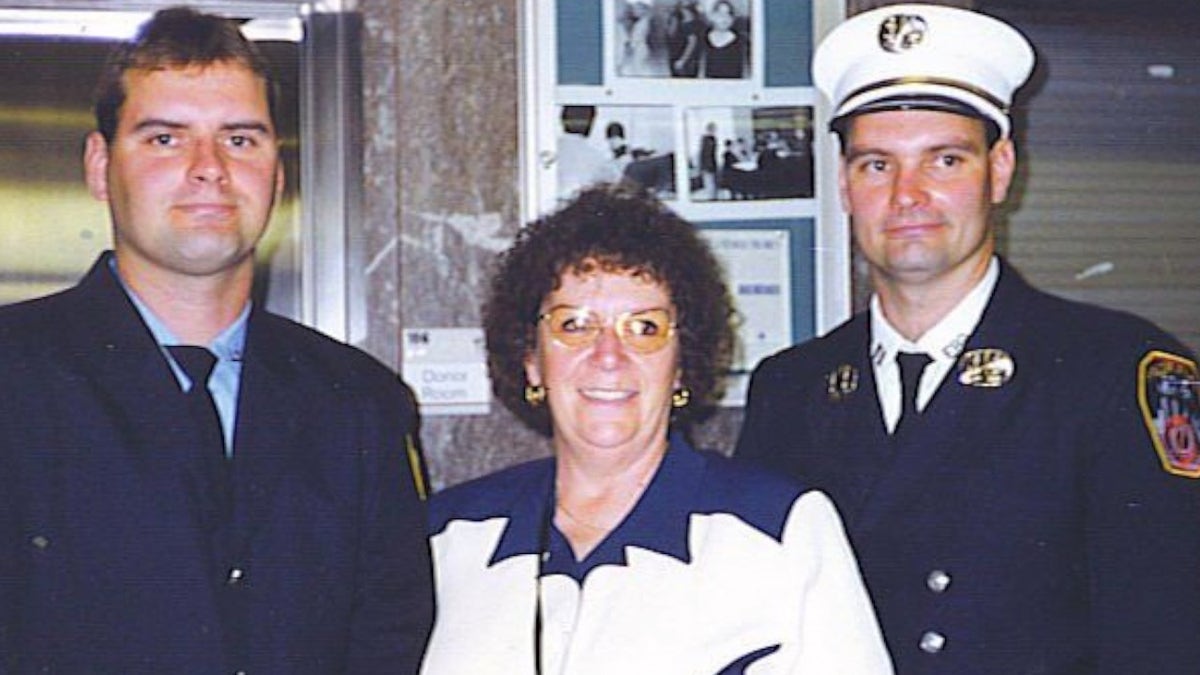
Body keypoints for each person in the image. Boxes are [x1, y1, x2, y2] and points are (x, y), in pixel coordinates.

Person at [736, 4, 1200, 674]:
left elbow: (1166, 639)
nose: (908, 196)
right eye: (876, 165)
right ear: (843, 182)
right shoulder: (790, 386)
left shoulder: (1115, 372)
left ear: (1001, 169)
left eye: (944, 160)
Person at [0, 8, 433, 672]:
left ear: (277, 174)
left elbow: (393, 638)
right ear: (98, 165)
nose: (209, 168)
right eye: (165, 139)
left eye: (240, 139)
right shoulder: (14, 378)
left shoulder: (361, 404)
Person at [421, 185, 892, 674]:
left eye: (644, 328)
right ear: (531, 360)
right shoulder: (447, 536)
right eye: (575, 325)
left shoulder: (779, 528)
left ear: (682, 364)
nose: (608, 356)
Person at [702, 1, 745, 79]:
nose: (724, 18)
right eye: (720, 14)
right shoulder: (703, 39)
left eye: (728, 14)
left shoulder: (740, 42)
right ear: (712, 16)